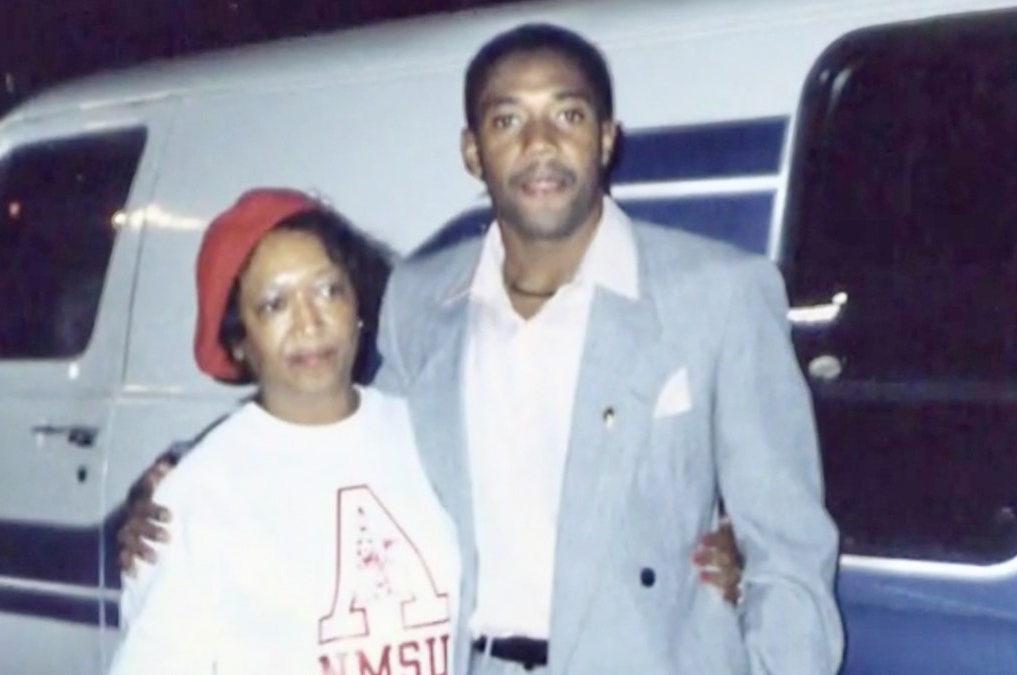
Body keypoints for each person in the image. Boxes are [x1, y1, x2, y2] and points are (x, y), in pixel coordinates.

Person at [122, 23, 842, 674]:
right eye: (507, 120)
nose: (540, 143)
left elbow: (790, 550)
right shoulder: (423, 299)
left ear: (605, 138)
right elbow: (346, 436)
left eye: (567, 113)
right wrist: (181, 479)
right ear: (473, 151)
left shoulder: (718, 294)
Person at [109, 189, 461, 674]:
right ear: (238, 341)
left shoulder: (430, 436)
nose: (309, 323)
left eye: (328, 291)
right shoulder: (194, 497)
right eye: (274, 304)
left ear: (359, 304)